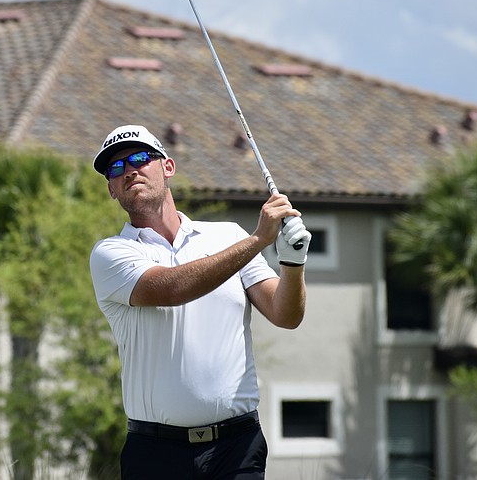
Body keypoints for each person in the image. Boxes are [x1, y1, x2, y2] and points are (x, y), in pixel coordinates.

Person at [89, 124, 311, 479]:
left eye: (141, 158)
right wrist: (258, 240)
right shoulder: (112, 253)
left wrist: (293, 263)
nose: (130, 170)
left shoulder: (228, 236)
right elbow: (172, 289)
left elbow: (285, 314)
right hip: (155, 453)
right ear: (112, 189)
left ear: (168, 167)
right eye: (116, 168)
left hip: (237, 447)